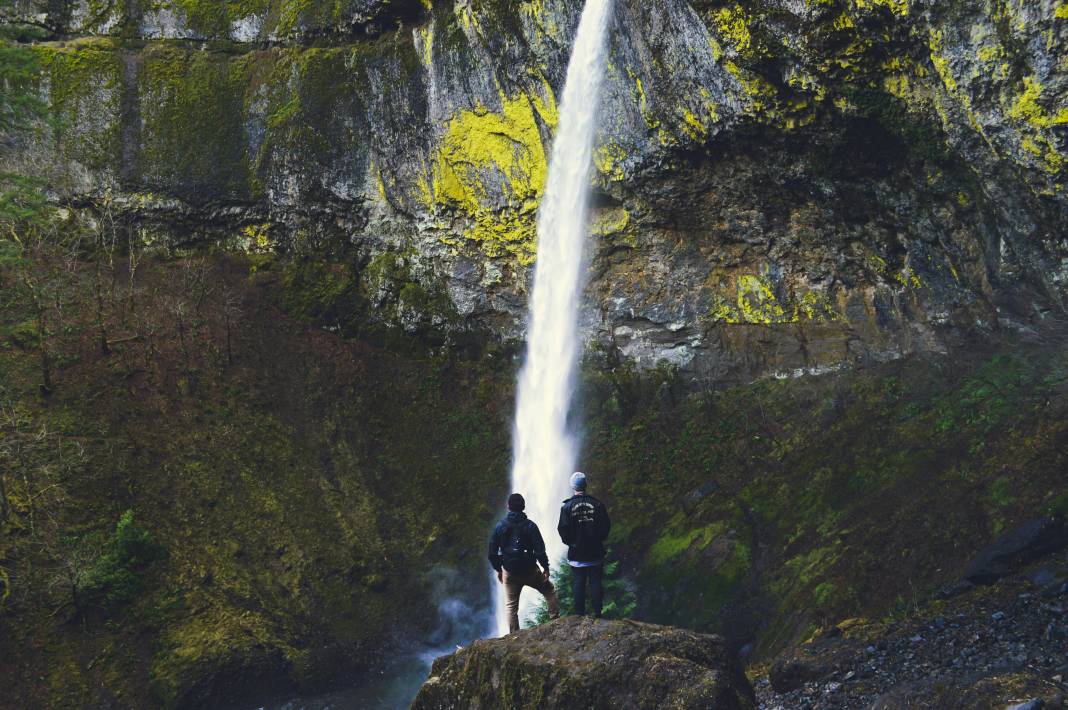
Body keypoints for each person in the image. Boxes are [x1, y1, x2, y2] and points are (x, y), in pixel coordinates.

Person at [488, 493, 560, 634]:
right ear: (523, 507)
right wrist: (545, 567)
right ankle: (555, 622)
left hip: (510, 572)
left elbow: (492, 553)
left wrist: (499, 570)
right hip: (530, 571)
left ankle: (514, 635)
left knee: (511, 606)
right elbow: (540, 550)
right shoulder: (531, 526)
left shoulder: (500, 526)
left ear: (508, 507)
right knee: (549, 591)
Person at [558, 471, 611, 618]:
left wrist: (571, 543)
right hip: (595, 550)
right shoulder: (597, 504)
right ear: (585, 485)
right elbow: (605, 526)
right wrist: (598, 539)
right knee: (595, 582)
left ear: (572, 487)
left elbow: (563, 529)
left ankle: (579, 615)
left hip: (576, 552)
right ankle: (598, 613)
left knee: (578, 582)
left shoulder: (567, 507)